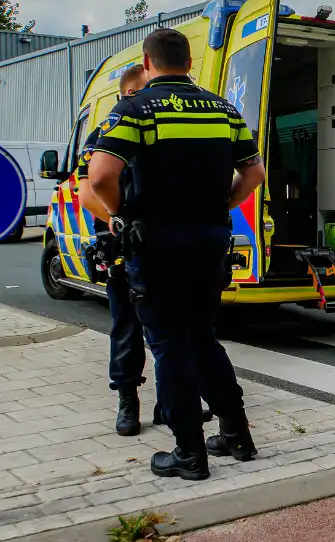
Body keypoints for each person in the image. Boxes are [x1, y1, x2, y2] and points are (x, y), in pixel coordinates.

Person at [88, 29, 266, 480]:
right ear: (190, 62)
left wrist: (119, 214)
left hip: (157, 245)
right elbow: (254, 172)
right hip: (209, 242)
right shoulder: (225, 110)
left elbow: (100, 175)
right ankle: (237, 435)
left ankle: (189, 454)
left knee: (169, 347)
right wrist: (222, 204)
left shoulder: (135, 108)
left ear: (147, 63)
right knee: (203, 339)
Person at [78, 66, 216, 438]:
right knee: (126, 324)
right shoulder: (106, 131)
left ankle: (170, 402)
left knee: (172, 328)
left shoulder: (162, 130)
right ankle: (127, 400)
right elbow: (87, 189)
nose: (152, 98)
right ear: (126, 95)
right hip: (122, 243)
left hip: (161, 243)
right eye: (142, 91)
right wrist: (117, 218)